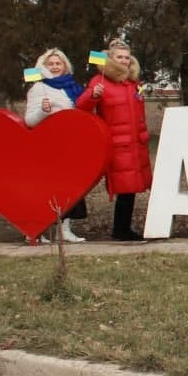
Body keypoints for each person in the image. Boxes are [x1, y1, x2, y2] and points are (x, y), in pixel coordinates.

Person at [76, 39, 150, 241]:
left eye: (127, 57)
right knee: (125, 186)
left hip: (136, 143)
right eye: (119, 57)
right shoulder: (99, 81)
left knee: (132, 187)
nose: (124, 61)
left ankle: (123, 227)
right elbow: (81, 106)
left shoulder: (134, 83)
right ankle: (121, 229)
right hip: (117, 143)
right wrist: (93, 95)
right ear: (110, 58)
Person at [24, 48, 88, 242]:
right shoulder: (38, 88)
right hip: (48, 145)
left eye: (58, 63)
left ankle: (64, 229)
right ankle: (35, 230)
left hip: (69, 144)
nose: (54, 67)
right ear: (43, 66)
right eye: (50, 64)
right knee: (46, 189)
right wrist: (43, 111)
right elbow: (29, 120)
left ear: (64, 65)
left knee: (69, 188)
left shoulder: (72, 88)